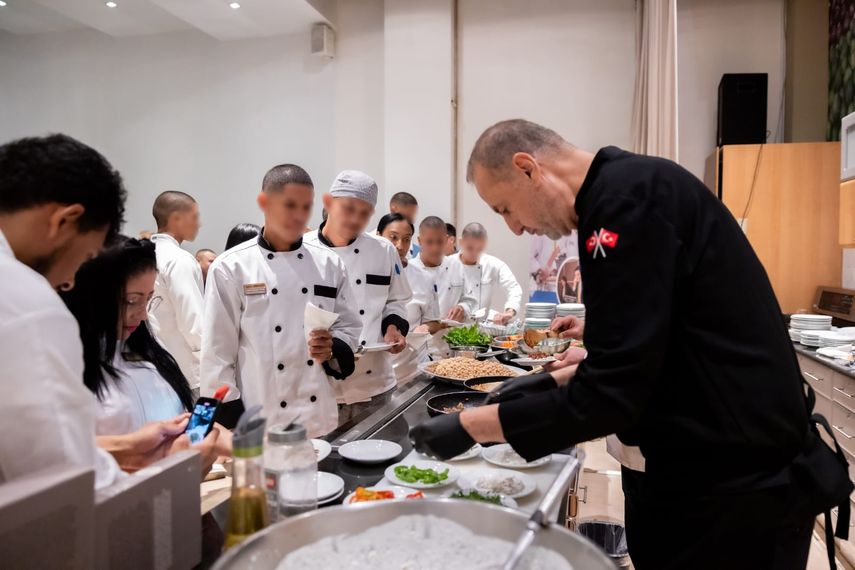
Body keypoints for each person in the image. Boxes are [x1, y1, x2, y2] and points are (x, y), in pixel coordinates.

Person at [410, 119, 851, 570]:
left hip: (735, 492)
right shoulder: (625, 191)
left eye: (505, 208)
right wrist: (545, 386)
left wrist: (475, 425)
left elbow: (612, 394)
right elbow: (647, 353)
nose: (516, 228)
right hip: (712, 475)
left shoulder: (625, 204)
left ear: (528, 168)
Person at [0, 134, 218, 488]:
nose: (70, 282)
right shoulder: (26, 301)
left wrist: (123, 447)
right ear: (64, 221)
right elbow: (61, 486)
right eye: (85, 258)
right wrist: (175, 470)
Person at [201, 164, 363, 438]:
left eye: (305, 207)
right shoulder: (232, 267)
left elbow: (350, 328)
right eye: (289, 206)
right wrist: (230, 422)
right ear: (265, 203)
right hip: (261, 418)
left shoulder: (329, 263)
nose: (299, 216)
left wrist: (333, 348)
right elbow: (217, 353)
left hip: (318, 418)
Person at [62, 237, 195, 434]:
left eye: (149, 299)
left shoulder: (149, 343)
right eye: (131, 301)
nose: (142, 315)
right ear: (92, 295)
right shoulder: (65, 360)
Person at [304, 170, 412, 407]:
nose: (356, 219)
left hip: (376, 382)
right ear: (329, 203)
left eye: (364, 213)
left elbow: (396, 301)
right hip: (320, 385)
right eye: (349, 208)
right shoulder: (302, 251)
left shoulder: (384, 251)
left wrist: (394, 326)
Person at [147, 191, 204, 389]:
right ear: (176, 219)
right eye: (195, 216)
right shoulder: (179, 259)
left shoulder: (144, 253)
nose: (199, 223)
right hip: (185, 370)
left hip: (152, 365)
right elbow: (193, 321)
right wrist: (209, 364)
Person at [377, 213, 440, 383]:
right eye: (393, 237)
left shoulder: (423, 278)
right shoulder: (364, 275)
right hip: (374, 373)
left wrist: (424, 329)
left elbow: (434, 321)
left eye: (406, 239)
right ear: (378, 236)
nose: (400, 245)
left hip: (412, 370)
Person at [409, 216, 477, 323]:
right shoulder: (409, 271)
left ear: (446, 240)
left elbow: (470, 299)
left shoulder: (456, 266)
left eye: (439, 242)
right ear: (419, 241)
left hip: (451, 336)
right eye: (429, 242)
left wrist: (462, 308)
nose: (435, 248)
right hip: (420, 337)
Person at [452, 222, 522, 325]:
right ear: (461, 242)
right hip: (452, 330)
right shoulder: (447, 265)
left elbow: (514, 288)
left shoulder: (492, 264)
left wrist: (510, 311)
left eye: (480, 249)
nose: (475, 254)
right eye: (470, 248)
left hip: (481, 331)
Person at [389, 191, 420, 258]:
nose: (411, 223)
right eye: (407, 217)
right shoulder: (372, 241)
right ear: (393, 210)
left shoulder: (416, 252)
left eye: (411, 219)